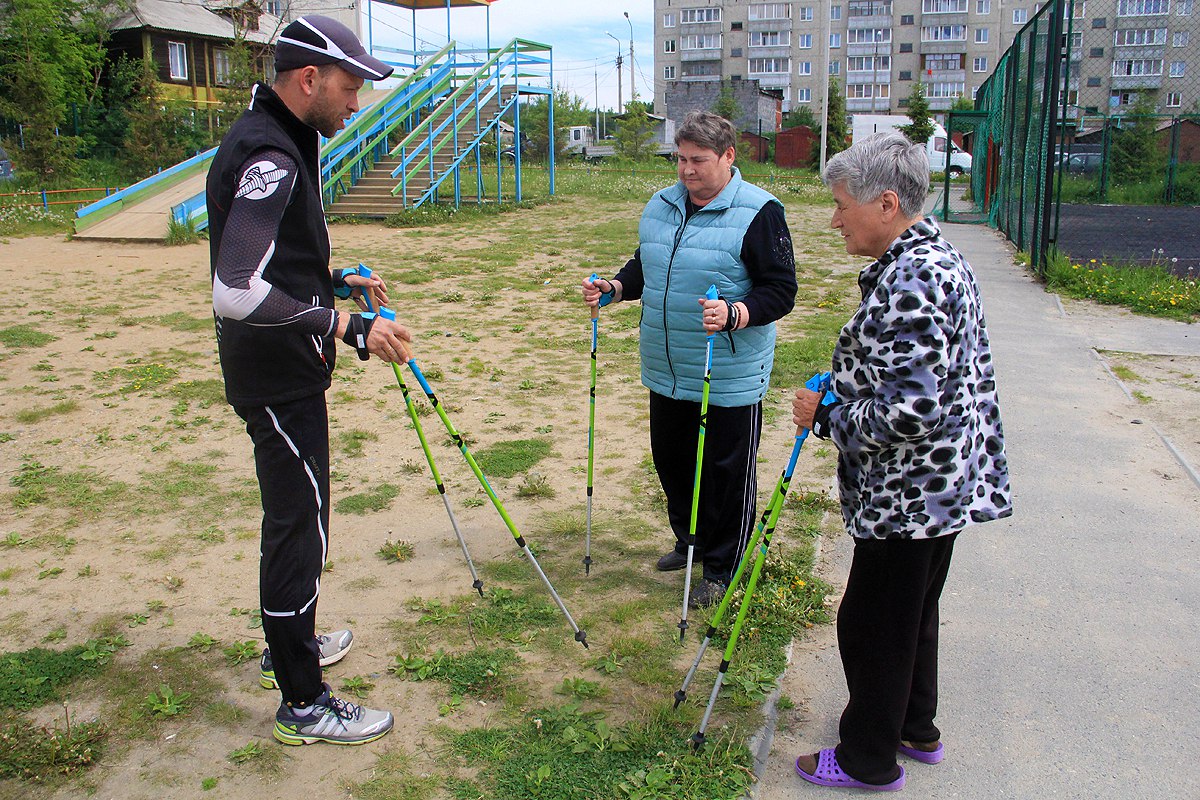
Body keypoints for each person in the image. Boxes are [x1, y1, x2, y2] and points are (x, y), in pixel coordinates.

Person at [207, 15, 413, 746]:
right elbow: (234, 288)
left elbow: (273, 261)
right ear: (307, 80)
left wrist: (333, 276)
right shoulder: (272, 154)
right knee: (301, 525)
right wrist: (348, 327)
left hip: (281, 370)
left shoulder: (282, 137)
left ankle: (286, 648)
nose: (353, 103)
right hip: (276, 377)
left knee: (296, 518)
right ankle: (303, 703)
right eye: (348, 88)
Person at [790, 132, 1012, 791]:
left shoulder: (912, 280)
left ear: (886, 203)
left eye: (840, 206)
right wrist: (850, 381)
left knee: (873, 625)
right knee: (911, 614)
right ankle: (915, 726)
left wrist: (825, 416)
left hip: (908, 492)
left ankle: (867, 759)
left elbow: (911, 411)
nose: (834, 220)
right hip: (941, 485)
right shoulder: (935, 255)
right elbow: (921, 380)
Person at [581, 111, 797, 607]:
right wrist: (614, 288)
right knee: (672, 460)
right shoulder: (661, 206)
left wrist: (737, 312)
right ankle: (692, 540)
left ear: (728, 156)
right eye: (680, 158)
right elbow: (647, 263)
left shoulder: (760, 212)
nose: (686, 170)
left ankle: (724, 565)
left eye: (698, 160)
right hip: (668, 364)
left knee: (726, 473)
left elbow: (781, 290)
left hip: (728, 370)